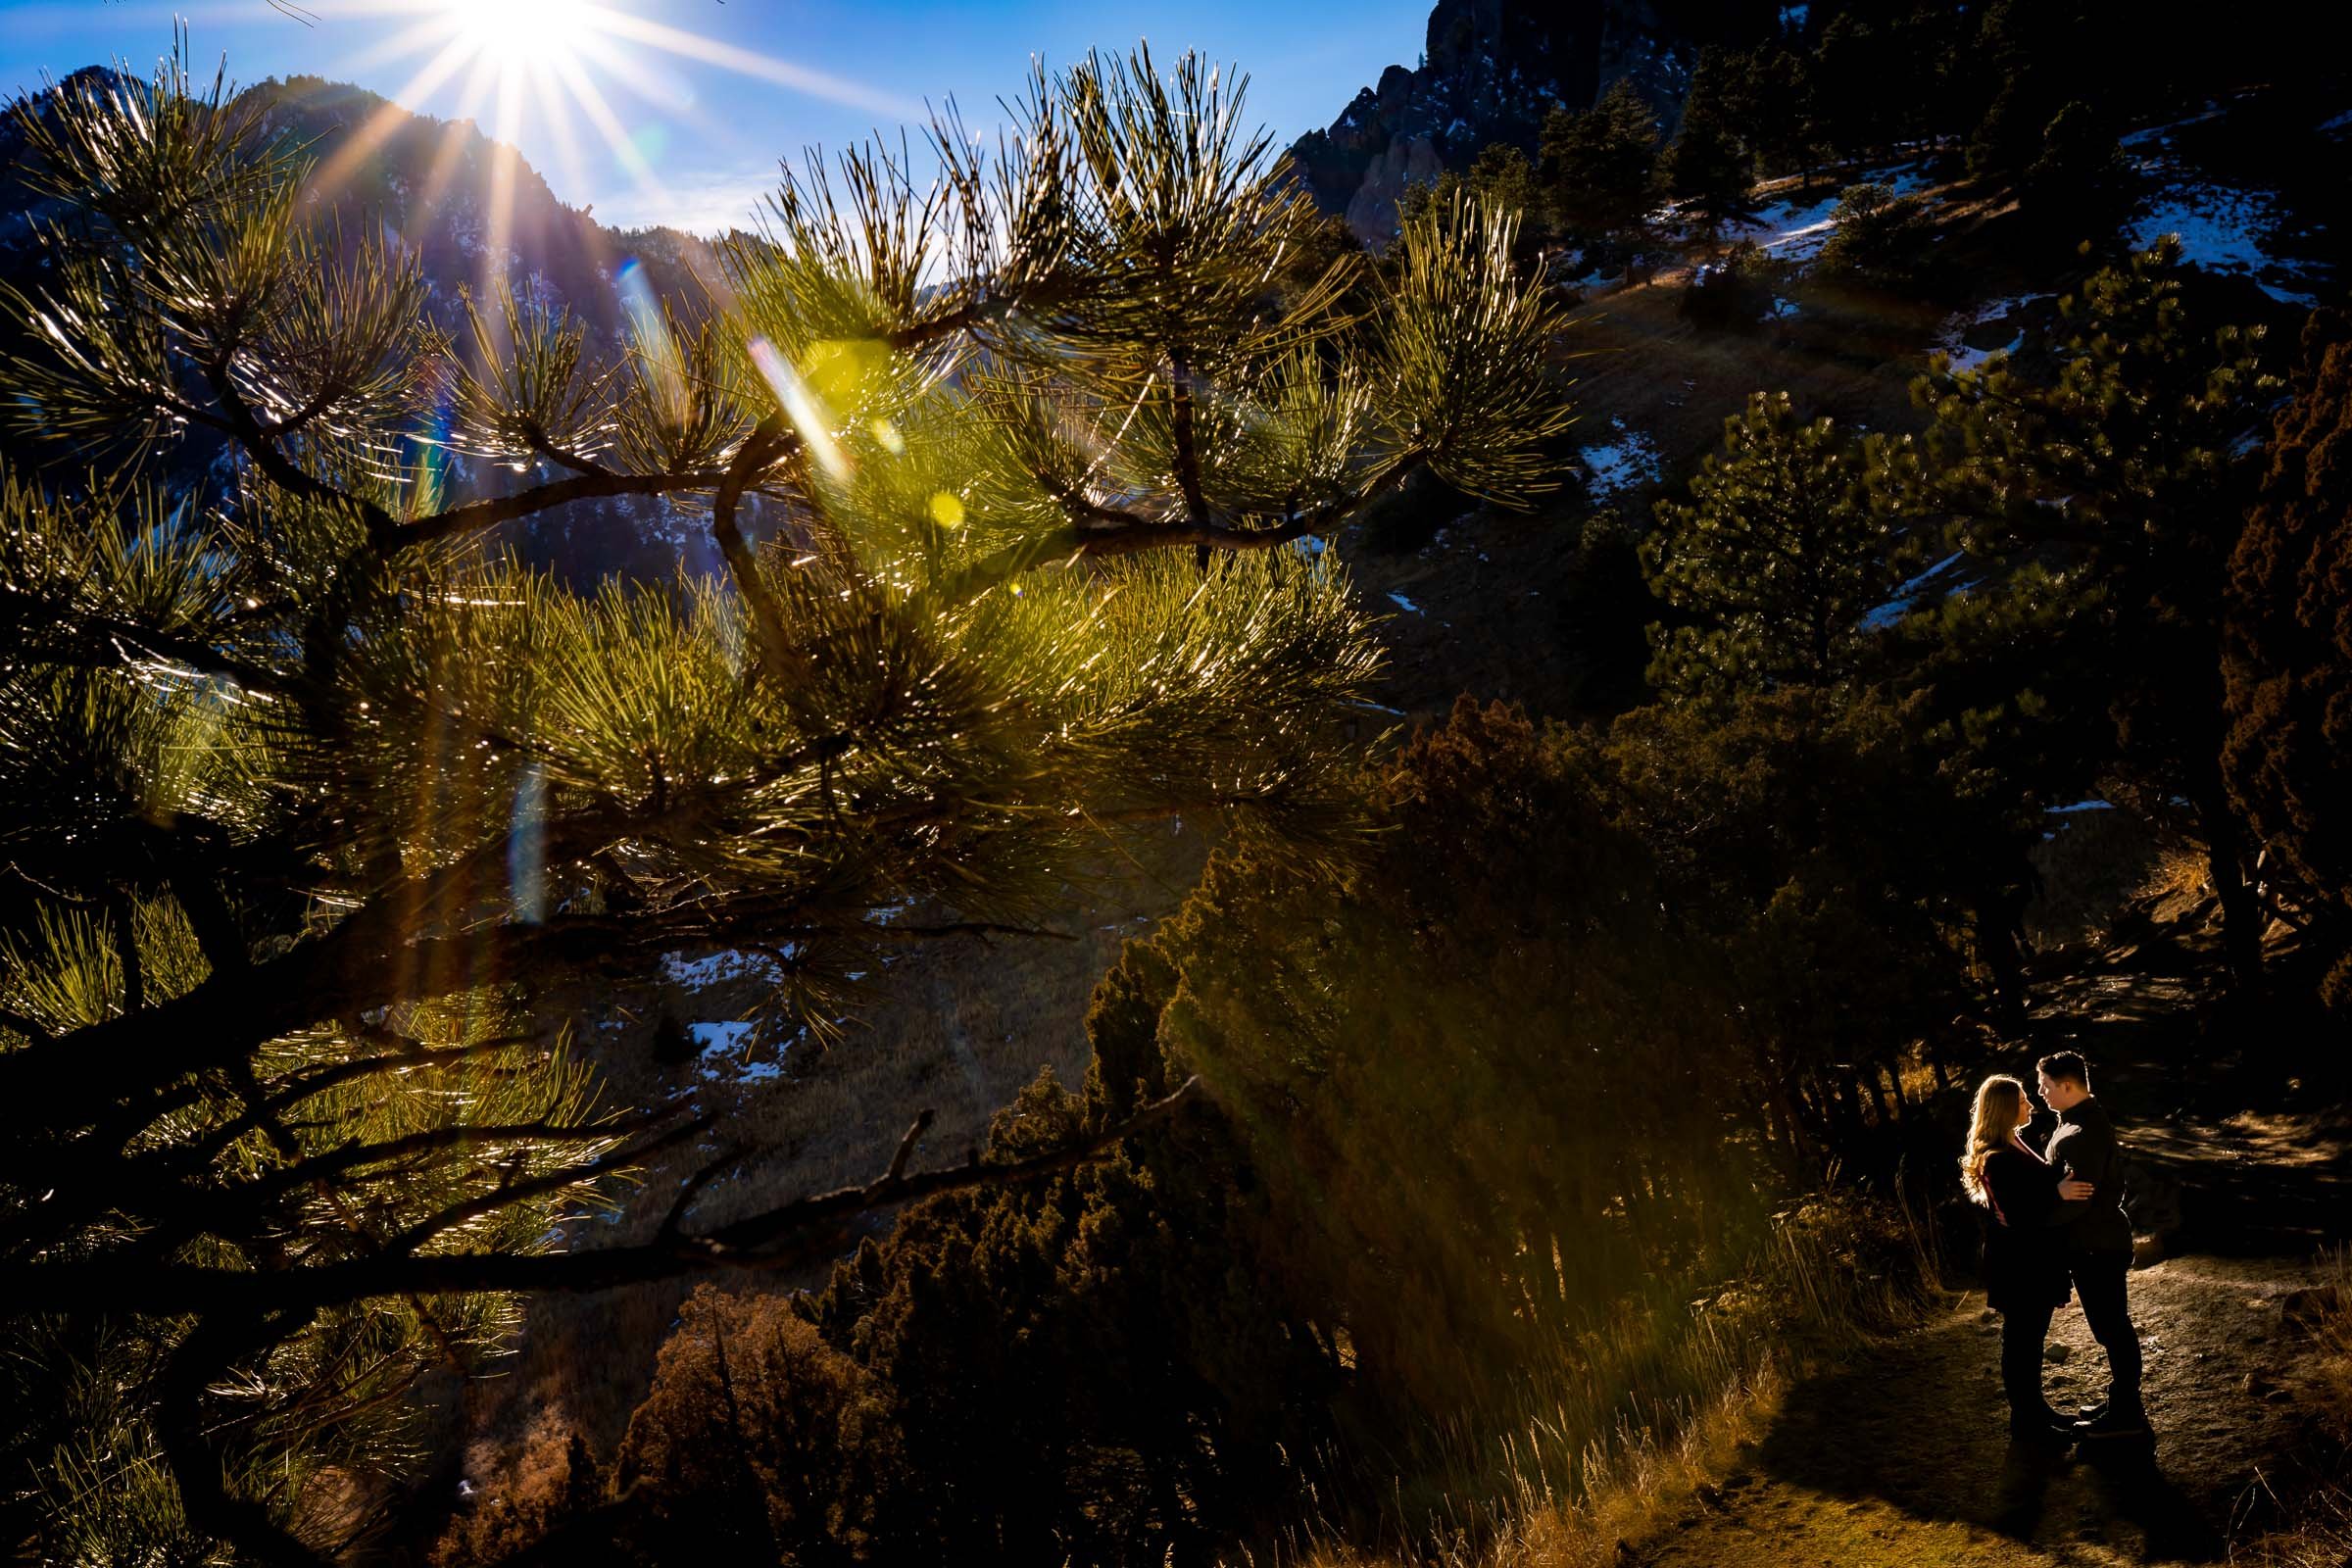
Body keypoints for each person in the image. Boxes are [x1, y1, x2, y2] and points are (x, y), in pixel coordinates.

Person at [1962, 1073, 2095, 1446]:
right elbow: (2019, 1214)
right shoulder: (1996, 1159)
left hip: (2029, 1261)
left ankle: (2036, 1412)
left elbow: (2030, 1192)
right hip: (2018, 1266)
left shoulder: (2015, 1144)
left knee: (2030, 1341)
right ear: (2005, 1108)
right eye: (2022, 1101)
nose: (2030, 1105)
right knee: (2021, 1343)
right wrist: (2058, 1192)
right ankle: (2027, 1425)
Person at [2036, 1050, 2148, 1439]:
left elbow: (2078, 1198)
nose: (2041, 1092)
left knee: (2112, 1328)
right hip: (2092, 1243)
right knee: (2109, 1327)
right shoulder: (2069, 1123)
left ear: (2067, 1085)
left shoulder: (2085, 1131)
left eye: (2046, 1085)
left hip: (2097, 1244)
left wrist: (2039, 1223)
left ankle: (2127, 1414)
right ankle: (2121, 1400)